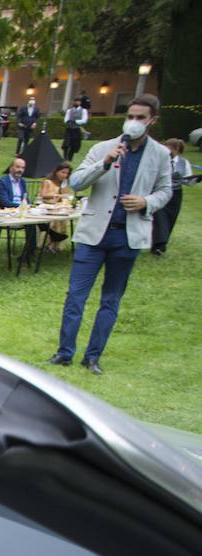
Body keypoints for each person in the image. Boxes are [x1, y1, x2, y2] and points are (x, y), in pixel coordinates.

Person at [49, 95, 172, 374]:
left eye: (141, 117)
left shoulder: (160, 155)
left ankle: (93, 357)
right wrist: (104, 162)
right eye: (131, 116)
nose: (134, 122)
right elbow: (77, 182)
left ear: (152, 120)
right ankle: (64, 352)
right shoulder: (103, 148)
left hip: (127, 236)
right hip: (93, 235)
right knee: (75, 296)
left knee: (110, 299)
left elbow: (166, 190)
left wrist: (146, 203)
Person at [0, 155, 38, 263]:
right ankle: (29, 253)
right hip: (6, 213)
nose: (20, 170)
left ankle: (31, 251)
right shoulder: (2, 182)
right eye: (17, 167)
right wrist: (22, 206)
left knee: (37, 219)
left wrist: (28, 205)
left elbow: (26, 198)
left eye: (22, 168)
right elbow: (5, 202)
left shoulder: (22, 181)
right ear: (11, 168)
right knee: (32, 223)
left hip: (21, 212)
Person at [151, 138, 191, 256]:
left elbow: (187, 180)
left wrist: (194, 179)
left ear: (176, 149)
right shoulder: (160, 161)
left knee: (170, 218)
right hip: (160, 192)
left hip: (176, 194)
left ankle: (160, 243)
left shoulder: (184, 163)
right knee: (160, 217)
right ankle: (159, 245)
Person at [38, 160, 75, 253]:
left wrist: (64, 190)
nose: (64, 175)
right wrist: (56, 196)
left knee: (62, 219)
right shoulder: (47, 182)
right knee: (54, 221)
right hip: (46, 207)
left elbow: (65, 196)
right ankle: (47, 244)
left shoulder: (63, 184)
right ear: (56, 171)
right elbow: (43, 195)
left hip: (57, 208)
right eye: (62, 172)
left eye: (67, 173)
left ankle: (55, 244)